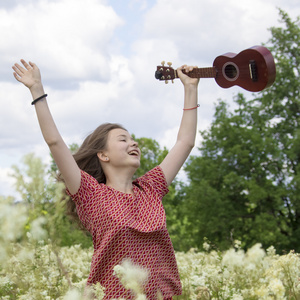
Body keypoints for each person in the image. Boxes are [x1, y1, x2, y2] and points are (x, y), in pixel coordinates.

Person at [12, 59, 200, 300]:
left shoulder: (151, 188)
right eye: (123, 139)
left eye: (133, 139)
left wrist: (190, 88)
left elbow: (185, 142)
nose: (133, 143)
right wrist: (37, 91)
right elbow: (55, 143)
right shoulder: (90, 193)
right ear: (103, 155)